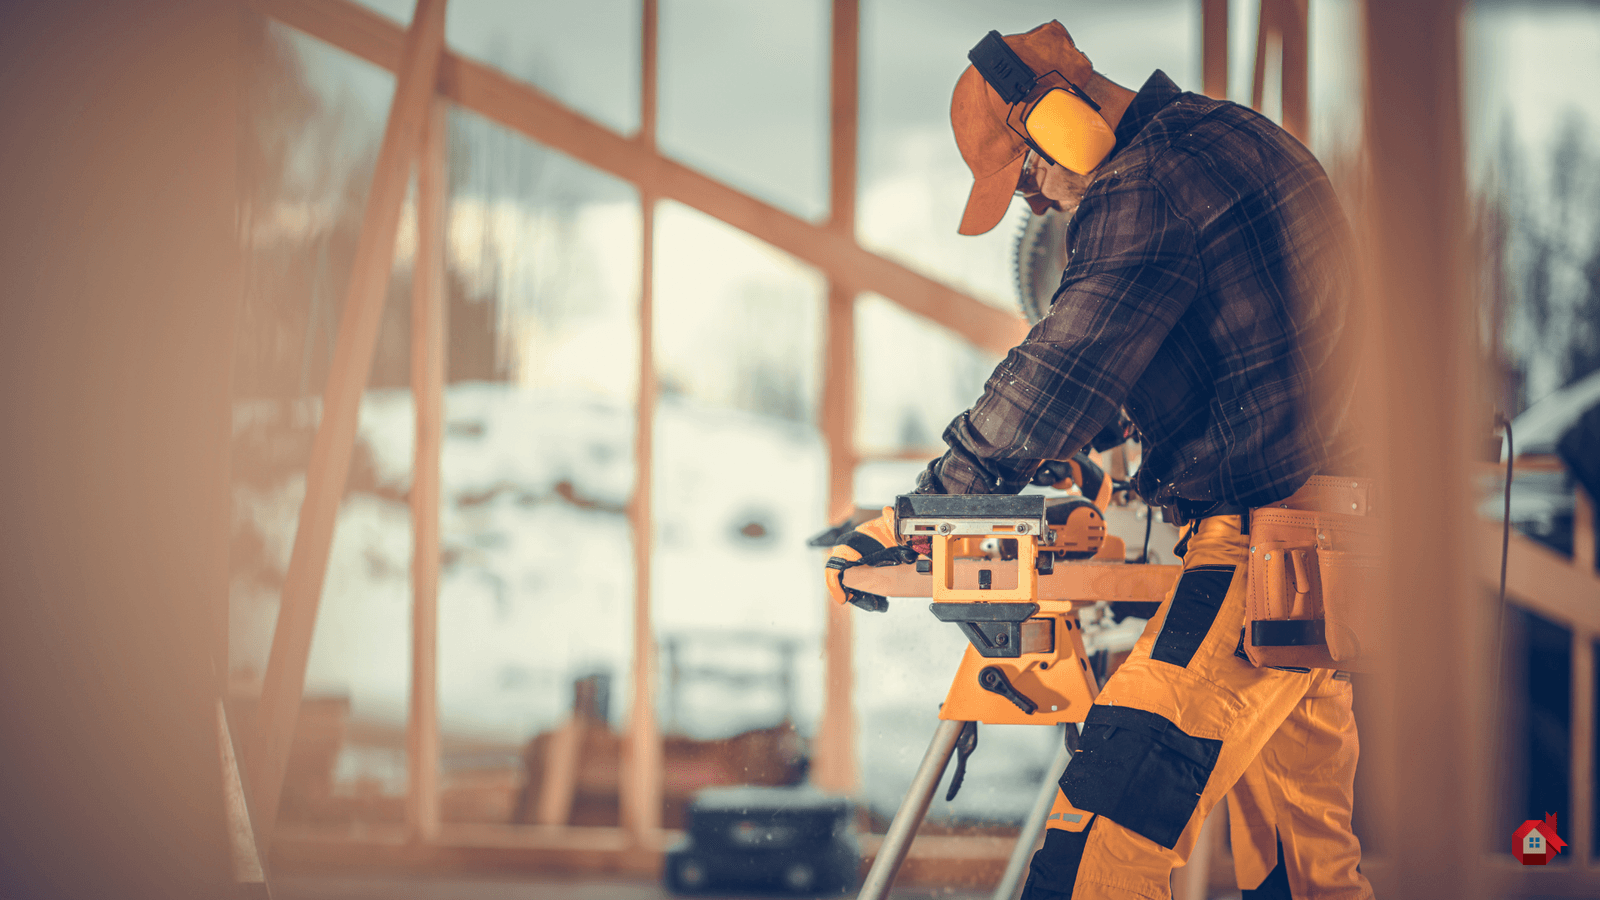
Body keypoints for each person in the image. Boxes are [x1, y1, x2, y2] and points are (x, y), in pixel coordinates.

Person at [823, 20, 1373, 900]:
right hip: (1324, 550)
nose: (1037, 203)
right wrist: (1085, 458)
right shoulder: (1223, 135)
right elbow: (1189, 357)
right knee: (1307, 877)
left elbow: (1066, 366)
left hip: (1267, 555)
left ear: (1059, 118)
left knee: (1094, 853)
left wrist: (933, 505)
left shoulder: (1144, 183)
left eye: (1029, 173)